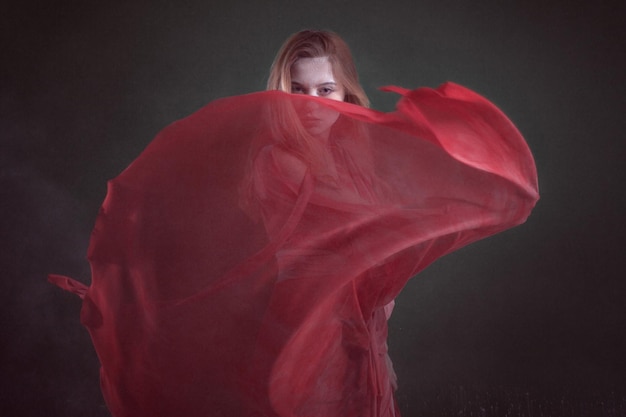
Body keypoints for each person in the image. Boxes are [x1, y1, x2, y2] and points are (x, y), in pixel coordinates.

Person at [50, 30, 539, 417]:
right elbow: (317, 253)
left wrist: (398, 269)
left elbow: (368, 242)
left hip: (364, 330)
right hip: (310, 331)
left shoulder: (354, 154)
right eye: (298, 90)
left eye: (325, 89)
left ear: (345, 89)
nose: (311, 103)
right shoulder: (278, 161)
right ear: (281, 93)